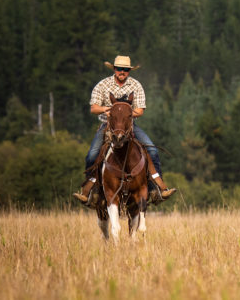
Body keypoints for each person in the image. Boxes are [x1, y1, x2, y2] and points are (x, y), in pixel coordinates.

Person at [73, 55, 177, 206]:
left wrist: (123, 114)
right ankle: (89, 192)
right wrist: (110, 110)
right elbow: (94, 108)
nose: (122, 71)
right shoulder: (103, 85)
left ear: (129, 71)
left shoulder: (136, 85)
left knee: (152, 151)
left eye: (126, 69)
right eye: (120, 69)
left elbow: (140, 110)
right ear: (114, 69)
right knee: (92, 155)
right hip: (107, 125)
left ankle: (157, 189)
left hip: (129, 126)